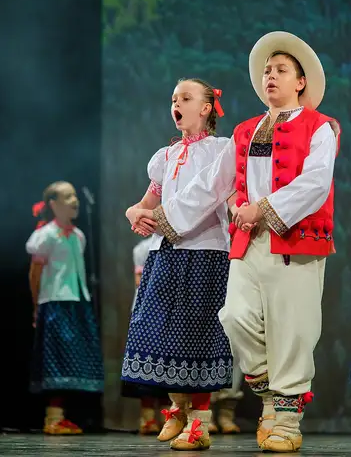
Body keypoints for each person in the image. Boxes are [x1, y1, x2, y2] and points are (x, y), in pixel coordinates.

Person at [132, 31, 341, 453]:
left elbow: (316, 183)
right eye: (267, 71)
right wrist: (162, 216)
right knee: (234, 318)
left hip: (294, 241)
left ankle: (286, 421)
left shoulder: (320, 127)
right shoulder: (246, 130)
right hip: (248, 242)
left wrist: (262, 208)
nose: (271, 76)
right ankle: (269, 395)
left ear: (300, 82)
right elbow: (212, 185)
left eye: (281, 70)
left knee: (292, 328)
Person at [123, 78, 234, 451]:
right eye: (174, 99)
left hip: (206, 252)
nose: (177, 104)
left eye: (186, 98)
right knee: (160, 329)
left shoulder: (221, 150)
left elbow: (225, 195)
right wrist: (135, 212)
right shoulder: (166, 156)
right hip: (167, 251)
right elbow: (148, 201)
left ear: (205, 108)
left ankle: (200, 420)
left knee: (198, 334)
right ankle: (177, 407)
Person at [26, 181, 104, 435]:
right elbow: (35, 273)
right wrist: (37, 305)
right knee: (57, 358)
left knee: (74, 359)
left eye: (74, 195)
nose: (75, 200)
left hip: (77, 302)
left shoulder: (79, 236)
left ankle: (62, 416)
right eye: (68, 196)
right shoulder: (45, 235)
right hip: (55, 302)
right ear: (54, 204)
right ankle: (53, 417)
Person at [127, 236, 171, 435]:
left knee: (168, 363)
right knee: (146, 361)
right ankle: (147, 417)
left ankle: (167, 416)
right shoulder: (142, 248)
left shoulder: (177, 245)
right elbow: (139, 280)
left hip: (168, 311)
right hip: (147, 310)